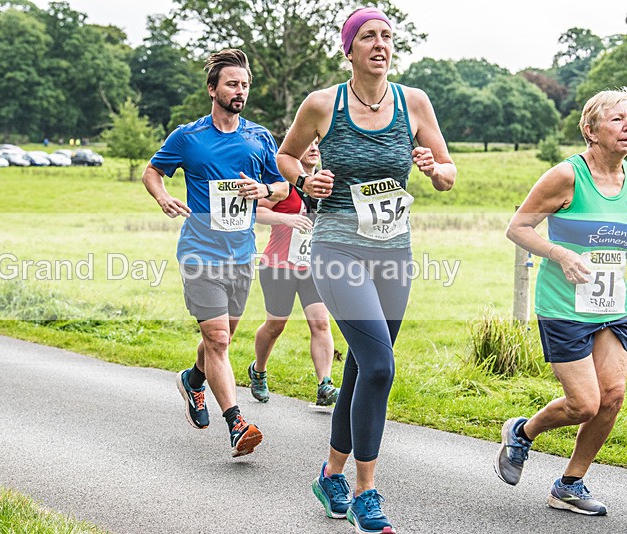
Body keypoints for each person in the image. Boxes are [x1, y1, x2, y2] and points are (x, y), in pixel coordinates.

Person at [276, 7, 456, 533]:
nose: (380, 44)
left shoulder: (414, 103)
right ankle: (364, 492)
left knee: (361, 365)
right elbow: (287, 159)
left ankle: (330, 474)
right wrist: (306, 180)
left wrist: (433, 169)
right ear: (349, 48)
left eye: (386, 36)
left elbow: (447, 173)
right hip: (337, 248)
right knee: (379, 367)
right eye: (368, 37)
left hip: (393, 252)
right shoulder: (322, 104)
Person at [142, 48, 287, 457]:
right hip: (200, 252)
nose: (240, 91)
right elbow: (152, 170)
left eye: (244, 85)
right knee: (219, 339)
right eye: (231, 84)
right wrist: (163, 196)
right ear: (212, 89)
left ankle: (192, 381)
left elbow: (282, 187)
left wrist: (265, 191)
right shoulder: (188, 137)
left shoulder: (259, 137)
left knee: (218, 341)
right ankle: (237, 424)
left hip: (241, 254)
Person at [497, 89, 627, 516]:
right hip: (565, 306)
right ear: (590, 131)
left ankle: (570, 483)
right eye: (618, 120)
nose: (626, 126)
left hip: (611, 305)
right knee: (584, 403)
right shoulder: (566, 176)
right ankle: (522, 432)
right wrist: (561, 253)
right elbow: (518, 228)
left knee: (612, 396)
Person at [249, 138, 340, 406]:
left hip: (313, 268)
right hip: (278, 266)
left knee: (320, 322)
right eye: (307, 143)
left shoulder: (326, 185)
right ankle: (259, 370)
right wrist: (285, 218)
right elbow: (256, 212)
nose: (312, 148)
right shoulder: (282, 185)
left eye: (318, 143)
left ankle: (325, 384)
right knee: (276, 325)